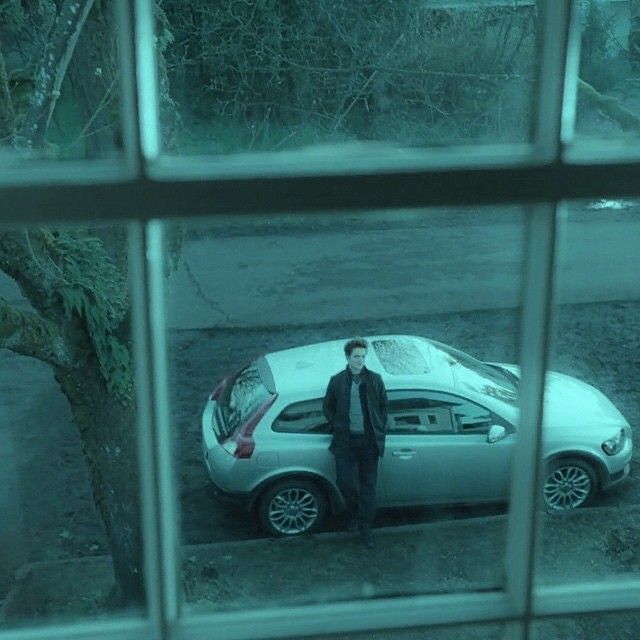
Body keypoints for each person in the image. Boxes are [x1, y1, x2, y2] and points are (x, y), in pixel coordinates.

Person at [323, 337, 388, 548]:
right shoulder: (337, 380)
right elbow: (328, 407)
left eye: (362, 356)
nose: (360, 360)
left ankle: (365, 528)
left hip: (369, 443)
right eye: (356, 356)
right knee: (345, 483)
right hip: (346, 442)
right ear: (348, 357)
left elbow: (384, 406)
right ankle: (355, 513)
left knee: (368, 486)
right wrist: (336, 425)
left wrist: (380, 428)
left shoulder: (375, 380)